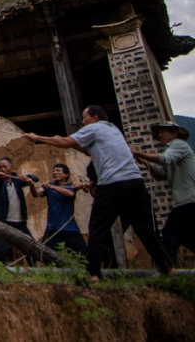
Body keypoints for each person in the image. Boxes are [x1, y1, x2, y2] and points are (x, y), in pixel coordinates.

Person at [24, 105, 172, 281]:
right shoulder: (113, 129)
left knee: (97, 228)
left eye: (84, 118)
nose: (82, 121)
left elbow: (65, 142)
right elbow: (87, 150)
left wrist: (37, 138)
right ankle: (168, 268)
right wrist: (66, 142)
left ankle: (93, 274)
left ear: (94, 117)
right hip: (135, 183)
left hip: (113, 184)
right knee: (143, 228)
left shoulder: (93, 128)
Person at [131, 121, 195, 266]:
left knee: (169, 235)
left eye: (163, 131)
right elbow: (160, 175)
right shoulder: (173, 150)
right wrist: (146, 163)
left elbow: (165, 160)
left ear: (175, 133)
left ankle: (167, 268)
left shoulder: (178, 145)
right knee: (187, 238)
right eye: (159, 132)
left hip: (188, 200)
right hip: (186, 201)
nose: (160, 135)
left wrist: (138, 153)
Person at [31, 163, 87, 258]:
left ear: (66, 175)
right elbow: (36, 194)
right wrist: (31, 185)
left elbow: (70, 194)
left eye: (58, 171)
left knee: (84, 255)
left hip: (70, 229)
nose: (54, 173)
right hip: (52, 229)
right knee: (45, 256)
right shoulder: (47, 187)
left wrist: (52, 187)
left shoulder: (70, 186)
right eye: (53, 171)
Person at [0, 156, 38, 264]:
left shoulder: (17, 180)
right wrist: (0, 181)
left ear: (12, 168)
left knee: (31, 249)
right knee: (0, 251)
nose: (2, 170)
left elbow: (36, 178)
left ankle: (36, 272)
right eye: (0, 167)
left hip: (20, 223)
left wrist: (26, 177)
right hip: (3, 223)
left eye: (5, 167)